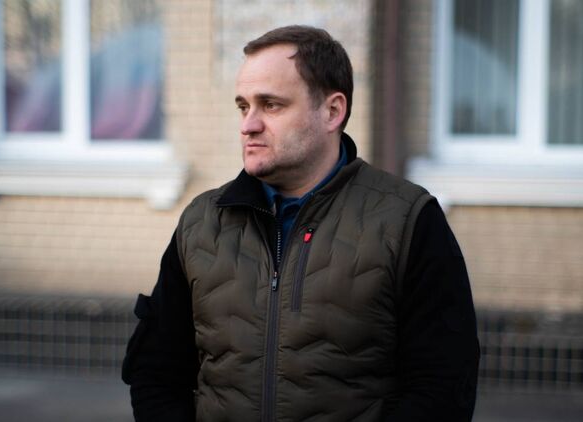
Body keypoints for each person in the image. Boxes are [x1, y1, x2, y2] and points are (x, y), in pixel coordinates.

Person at [122, 25, 480, 421]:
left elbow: (443, 389)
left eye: (271, 105)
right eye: (243, 106)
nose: (248, 124)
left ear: (332, 111)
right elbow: (156, 374)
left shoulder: (407, 220)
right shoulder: (202, 222)